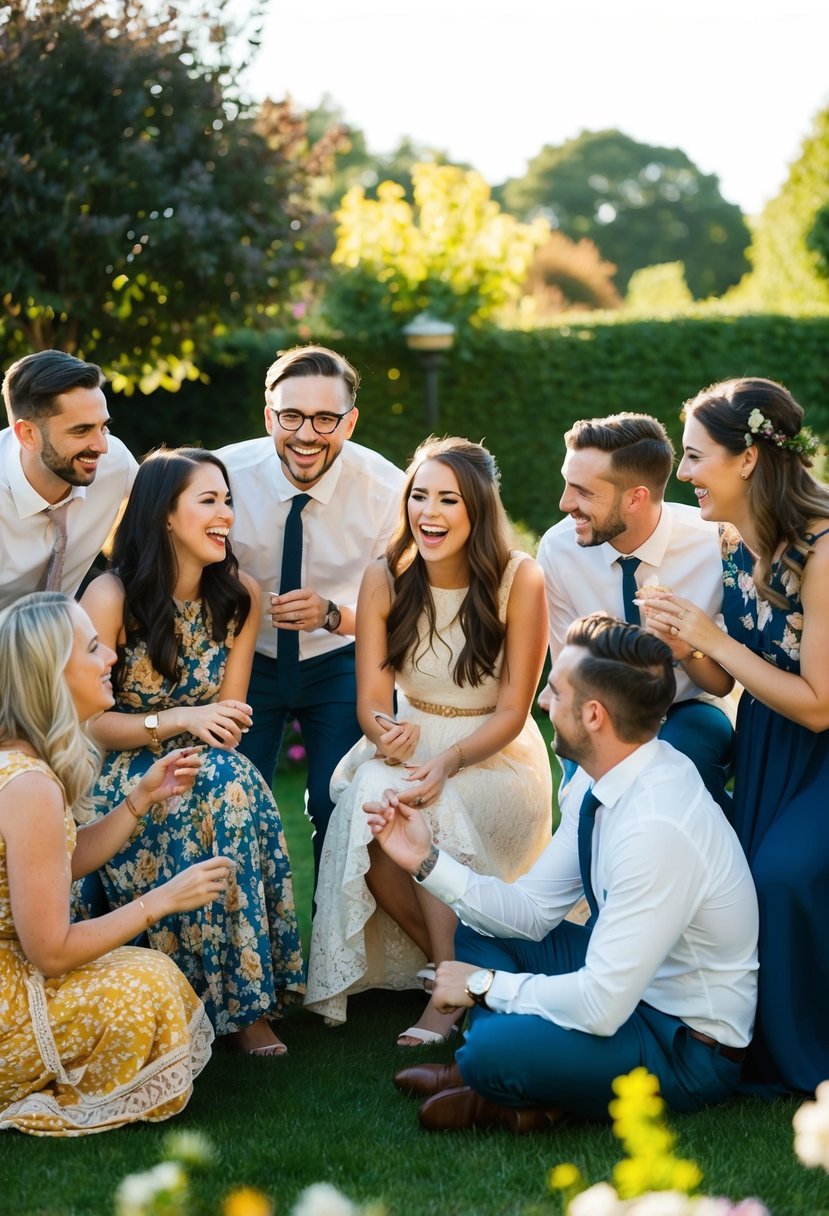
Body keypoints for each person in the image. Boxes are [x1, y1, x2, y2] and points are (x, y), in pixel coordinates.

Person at [364, 613, 758, 1132]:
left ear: (594, 715)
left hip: (682, 1043)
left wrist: (485, 987)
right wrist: (425, 859)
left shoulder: (656, 826)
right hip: (627, 988)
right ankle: (527, 1084)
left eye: (554, 691)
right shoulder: (607, 778)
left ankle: (495, 1082)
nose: (543, 705)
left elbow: (601, 1004)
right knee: (474, 932)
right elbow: (529, 912)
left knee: (492, 1048)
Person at [305, 437, 553, 1046]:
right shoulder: (384, 577)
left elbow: (515, 710)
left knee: (428, 802)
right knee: (370, 806)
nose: (429, 513)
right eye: (419, 496)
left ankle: (446, 998)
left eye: (448, 500)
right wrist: (382, 732)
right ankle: (461, 968)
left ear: (478, 509)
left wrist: (446, 760)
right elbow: (370, 699)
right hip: (410, 741)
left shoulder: (520, 580)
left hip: (492, 753)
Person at [74, 448, 304, 1057]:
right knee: (224, 785)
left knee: (232, 779)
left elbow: (225, 721)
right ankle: (209, 999)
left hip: (205, 764)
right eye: (209, 501)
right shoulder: (111, 595)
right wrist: (177, 719)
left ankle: (247, 1002)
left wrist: (219, 725)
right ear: (165, 516)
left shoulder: (240, 597)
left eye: (227, 500)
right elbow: (90, 722)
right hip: (123, 772)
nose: (225, 513)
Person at [639, 377, 829, 1097]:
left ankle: (805, 1057)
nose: (682, 474)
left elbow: (817, 704)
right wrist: (681, 639)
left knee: (783, 877)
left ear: (747, 458)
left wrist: (710, 635)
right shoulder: (729, 542)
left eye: (693, 457)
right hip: (767, 748)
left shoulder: (821, 550)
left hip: (817, 748)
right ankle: (749, 1046)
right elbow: (722, 683)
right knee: (743, 886)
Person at [0, 591, 234, 1135]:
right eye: (95, 647)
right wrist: (164, 900)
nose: (113, 657)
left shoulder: (19, 764)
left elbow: (58, 862)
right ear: (52, 674)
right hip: (12, 996)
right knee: (147, 984)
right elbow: (53, 950)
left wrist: (139, 799)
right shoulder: (29, 784)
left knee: (146, 972)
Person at [216, 345, 405, 880]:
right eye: (292, 416)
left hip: (341, 659)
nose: (306, 434)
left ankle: (330, 956)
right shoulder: (222, 474)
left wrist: (332, 614)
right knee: (231, 805)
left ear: (350, 421)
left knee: (338, 806)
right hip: (245, 660)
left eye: (325, 418)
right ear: (268, 415)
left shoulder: (389, 492)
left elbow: (402, 613)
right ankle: (245, 951)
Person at [536, 413, 734, 811]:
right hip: (598, 711)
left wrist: (685, 648)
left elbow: (724, 683)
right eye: (566, 484)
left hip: (690, 707)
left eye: (582, 492)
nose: (564, 503)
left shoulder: (715, 544)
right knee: (589, 804)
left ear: (635, 497)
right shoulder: (557, 550)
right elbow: (569, 676)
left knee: (682, 764)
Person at [1, 350, 137, 610]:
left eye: (103, 427)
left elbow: (170, 506)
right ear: (28, 434)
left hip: (72, 639)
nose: (101, 446)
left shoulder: (115, 463)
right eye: (81, 430)